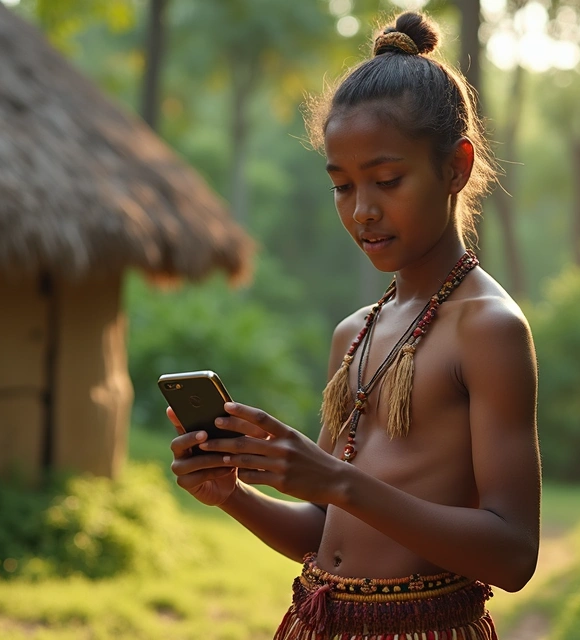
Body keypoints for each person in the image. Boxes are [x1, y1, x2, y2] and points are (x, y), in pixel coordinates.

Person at [167, 11, 540, 640]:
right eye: (342, 186)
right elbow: (326, 534)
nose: (363, 210)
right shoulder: (356, 334)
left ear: (457, 166)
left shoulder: (488, 329)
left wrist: (338, 480)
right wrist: (231, 494)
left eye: (387, 180)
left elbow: (513, 554)